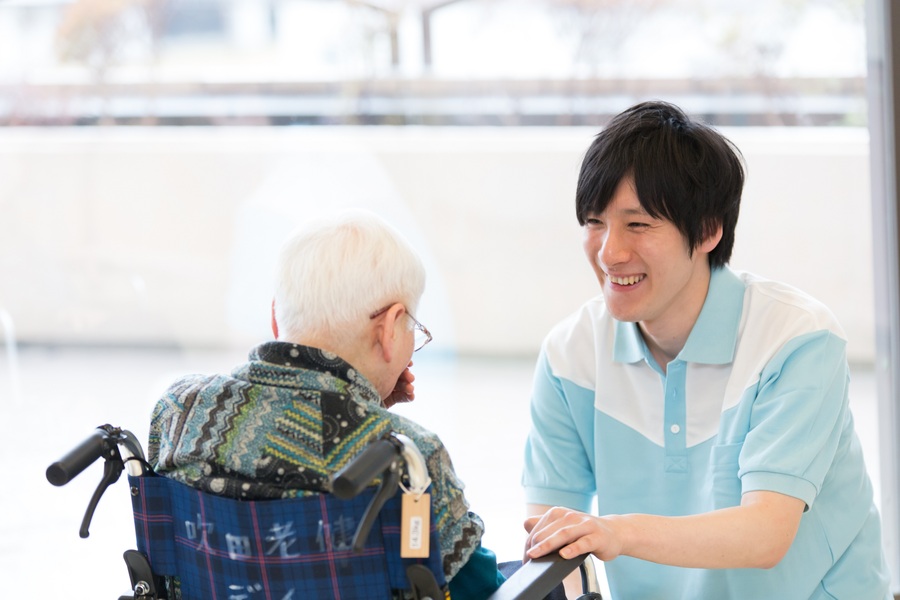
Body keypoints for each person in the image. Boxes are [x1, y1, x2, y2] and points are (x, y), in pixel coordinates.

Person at [521, 101, 891, 599]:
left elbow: (765, 534)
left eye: (638, 225)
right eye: (594, 221)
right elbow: (548, 533)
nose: (609, 252)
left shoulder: (796, 339)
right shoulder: (570, 354)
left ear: (708, 230)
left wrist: (617, 531)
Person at [148, 210, 505, 599]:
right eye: (412, 329)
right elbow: (480, 590)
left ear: (274, 316)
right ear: (389, 327)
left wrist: (367, 410)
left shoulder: (180, 412)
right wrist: (371, 424)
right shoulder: (409, 457)